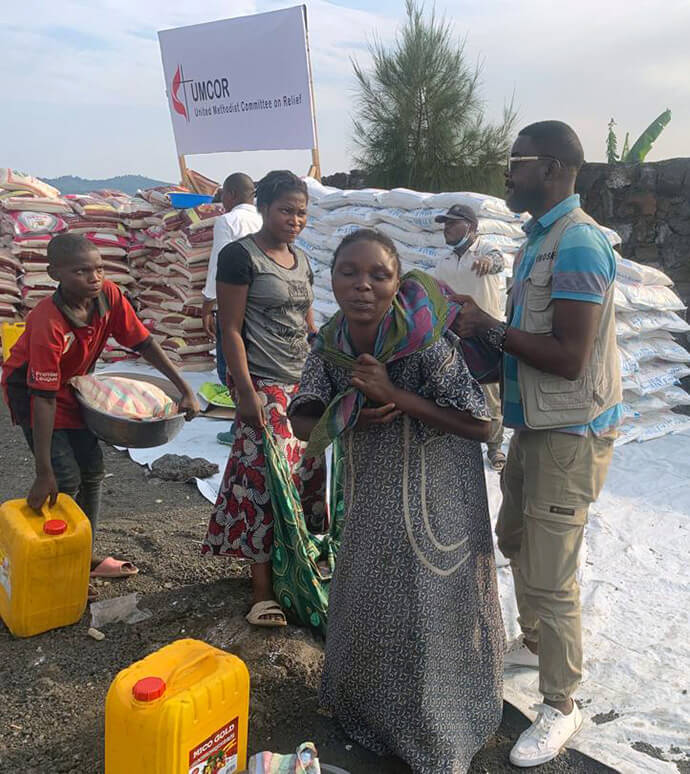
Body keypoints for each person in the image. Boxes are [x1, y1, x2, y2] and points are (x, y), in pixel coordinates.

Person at [288, 229, 504, 774]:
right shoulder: (333, 342)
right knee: (371, 597)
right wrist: (351, 413)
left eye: (378, 275)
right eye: (349, 273)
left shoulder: (425, 342)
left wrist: (395, 395)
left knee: (430, 608)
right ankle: (372, 713)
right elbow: (301, 416)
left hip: (440, 501)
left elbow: (483, 424)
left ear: (396, 282)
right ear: (331, 279)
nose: (362, 285)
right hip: (372, 495)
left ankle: (439, 730)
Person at [453, 121, 622, 768]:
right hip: (538, 426)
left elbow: (571, 358)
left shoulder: (576, 245)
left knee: (551, 575)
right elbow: (529, 342)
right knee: (516, 536)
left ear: (550, 168)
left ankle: (561, 703)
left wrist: (489, 330)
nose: (507, 176)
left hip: (569, 435)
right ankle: (533, 639)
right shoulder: (541, 242)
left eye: (515, 164)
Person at [1, 234, 200, 598]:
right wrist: (42, 470)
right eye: (81, 271)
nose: (93, 277)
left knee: (92, 470)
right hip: (33, 394)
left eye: (98, 268)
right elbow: (43, 400)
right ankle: (60, 565)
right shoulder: (49, 322)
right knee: (63, 477)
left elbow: (143, 343)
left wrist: (183, 387)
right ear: (55, 273)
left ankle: (83, 556)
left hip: (74, 387)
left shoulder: (107, 297)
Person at [202, 170, 327, 628]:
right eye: (286, 211)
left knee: (305, 479)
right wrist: (246, 391)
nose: (295, 220)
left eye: (302, 213)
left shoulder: (303, 261)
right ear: (265, 209)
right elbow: (230, 329)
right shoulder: (241, 256)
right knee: (263, 485)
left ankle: (298, 566)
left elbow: (307, 322)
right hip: (265, 386)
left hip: (303, 388)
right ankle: (261, 594)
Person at [434, 203, 507, 471]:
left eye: (453, 222)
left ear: (471, 227)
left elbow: (498, 260)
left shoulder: (484, 249)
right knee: (455, 390)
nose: (447, 228)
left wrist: (489, 263)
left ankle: (495, 447)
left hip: (485, 332)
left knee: (490, 395)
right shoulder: (443, 262)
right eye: (445, 223)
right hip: (455, 336)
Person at [200, 173, 263, 445]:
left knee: (230, 366)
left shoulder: (227, 221)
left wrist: (207, 303)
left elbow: (220, 264)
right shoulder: (265, 219)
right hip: (261, 303)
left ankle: (241, 427)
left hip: (234, 303)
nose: (222, 201)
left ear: (233, 194)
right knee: (256, 364)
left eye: (223, 194)